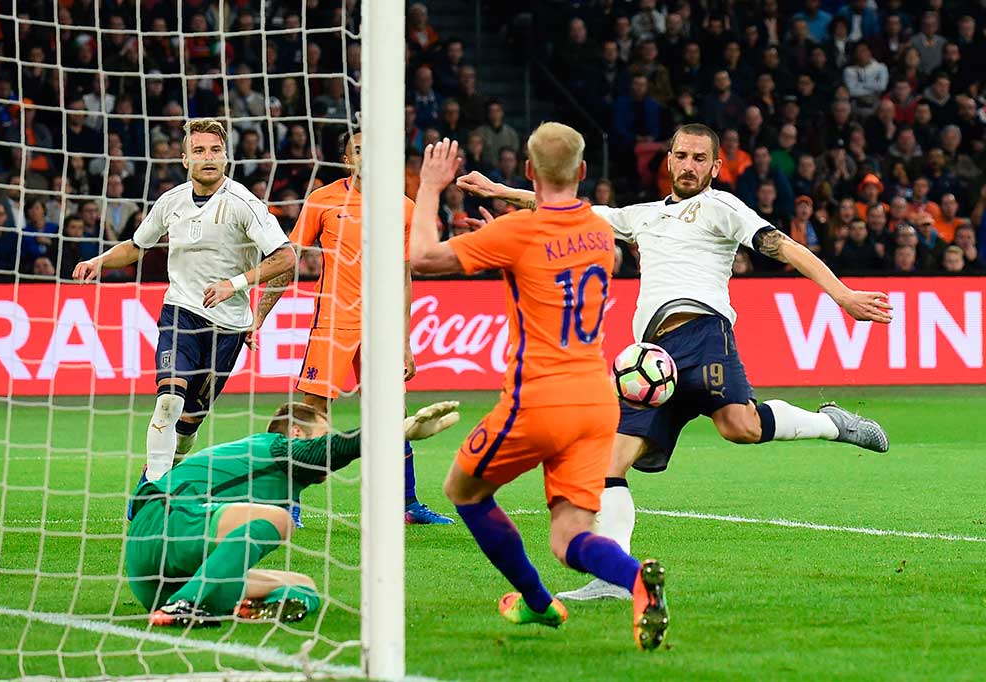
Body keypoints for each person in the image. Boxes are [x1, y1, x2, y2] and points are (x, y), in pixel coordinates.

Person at [457, 123, 892, 602]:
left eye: (699, 158)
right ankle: (613, 577)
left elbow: (782, 247)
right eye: (681, 155)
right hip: (648, 363)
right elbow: (568, 210)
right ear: (668, 159)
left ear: (715, 166)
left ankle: (832, 424)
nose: (689, 165)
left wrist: (843, 295)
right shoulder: (640, 216)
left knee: (738, 427)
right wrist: (502, 193)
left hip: (703, 334)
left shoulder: (721, 206)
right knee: (609, 462)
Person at [410, 126, 670, 651]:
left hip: (540, 398)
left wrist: (431, 187)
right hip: (597, 401)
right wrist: (501, 239)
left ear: (527, 171)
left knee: (464, 490)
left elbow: (421, 258)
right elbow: (546, 257)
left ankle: (534, 599)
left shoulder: (519, 234)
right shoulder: (601, 235)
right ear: (581, 173)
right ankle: (636, 582)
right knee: (570, 535)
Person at [72, 119, 297, 508]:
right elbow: (136, 245)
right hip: (182, 313)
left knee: (189, 425)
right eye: (199, 151)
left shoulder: (245, 204)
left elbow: (286, 257)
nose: (207, 158)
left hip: (228, 327)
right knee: (168, 401)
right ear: (184, 158)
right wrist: (100, 261)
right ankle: (153, 494)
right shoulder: (170, 202)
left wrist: (236, 285)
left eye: (214, 150)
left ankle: (159, 471)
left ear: (226, 155)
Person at [251, 130, 453, 525]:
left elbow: (404, 277)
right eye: (358, 150)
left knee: (394, 411)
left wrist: (405, 343)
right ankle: (288, 502)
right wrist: (259, 315)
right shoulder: (322, 200)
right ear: (347, 159)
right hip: (333, 321)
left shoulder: (404, 208)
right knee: (311, 412)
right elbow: (289, 260)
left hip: (380, 328)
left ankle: (407, 503)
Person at [130, 401, 460, 627]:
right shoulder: (275, 447)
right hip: (163, 525)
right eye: (322, 434)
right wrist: (396, 431)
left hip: (158, 583)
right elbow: (331, 449)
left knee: (302, 587)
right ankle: (185, 604)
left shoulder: (275, 468)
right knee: (279, 520)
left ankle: (225, 604)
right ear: (297, 434)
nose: (324, 444)